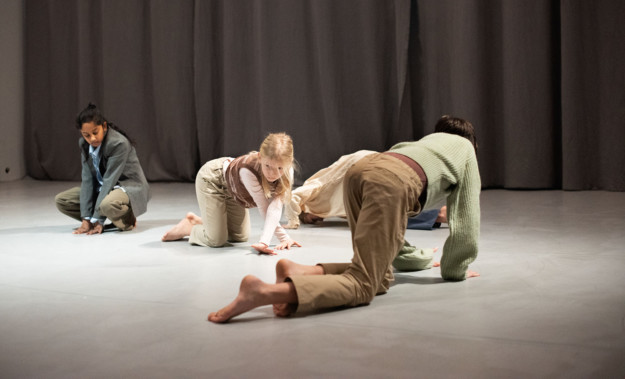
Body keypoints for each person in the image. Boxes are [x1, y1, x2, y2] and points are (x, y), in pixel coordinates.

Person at [207, 115, 481, 323]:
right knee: (364, 285)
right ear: (472, 144)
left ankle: (297, 271)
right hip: (389, 181)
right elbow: (465, 218)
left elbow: (389, 239)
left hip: (362, 171)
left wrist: (417, 258)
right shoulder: (466, 151)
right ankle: (263, 292)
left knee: (379, 275)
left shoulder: (423, 144)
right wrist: (455, 270)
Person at [162, 132, 301, 255]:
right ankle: (190, 228)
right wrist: (264, 242)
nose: (273, 173)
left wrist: (285, 239)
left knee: (239, 237)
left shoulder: (288, 172)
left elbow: (276, 207)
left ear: (288, 164)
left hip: (234, 191)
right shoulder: (248, 171)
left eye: (280, 168)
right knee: (216, 240)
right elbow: (264, 207)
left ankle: (203, 222)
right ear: (259, 157)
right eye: (267, 166)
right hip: (213, 180)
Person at [283, 150, 447, 230]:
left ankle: (439, 215)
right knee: (383, 212)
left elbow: (293, 198)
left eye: (311, 219)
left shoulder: (313, 192)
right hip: (367, 163)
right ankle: (438, 215)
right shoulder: (333, 208)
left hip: (361, 167)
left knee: (384, 214)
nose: (317, 220)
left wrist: (293, 222)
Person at [55, 103, 150, 234]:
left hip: (127, 187)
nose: (92, 139)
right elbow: (87, 180)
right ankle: (96, 217)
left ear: (104, 126)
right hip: (103, 189)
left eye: (95, 132)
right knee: (63, 200)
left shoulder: (118, 144)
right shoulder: (84, 144)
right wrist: (86, 219)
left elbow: (109, 181)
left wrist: (99, 220)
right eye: (86, 135)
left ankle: (127, 218)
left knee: (107, 205)